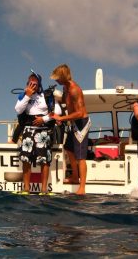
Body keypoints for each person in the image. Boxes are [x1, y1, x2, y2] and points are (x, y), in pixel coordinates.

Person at [14, 70, 62, 195]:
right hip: (28, 130)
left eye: (35, 84)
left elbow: (58, 112)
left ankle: (44, 189)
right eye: (30, 83)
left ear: (39, 84)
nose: (32, 86)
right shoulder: (23, 95)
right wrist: (27, 95)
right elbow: (18, 110)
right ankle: (26, 188)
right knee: (25, 159)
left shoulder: (47, 96)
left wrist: (44, 119)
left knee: (44, 160)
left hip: (43, 131)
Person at [49, 64, 90, 195]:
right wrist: (54, 98)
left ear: (63, 77)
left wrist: (61, 118)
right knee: (69, 148)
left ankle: (82, 187)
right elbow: (66, 102)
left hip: (81, 123)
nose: (56, 81)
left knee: (80, 157)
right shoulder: (65, 88)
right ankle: (75, 176)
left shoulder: (74, 89)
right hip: (73, 122)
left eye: (57, 78)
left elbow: (79, 112)